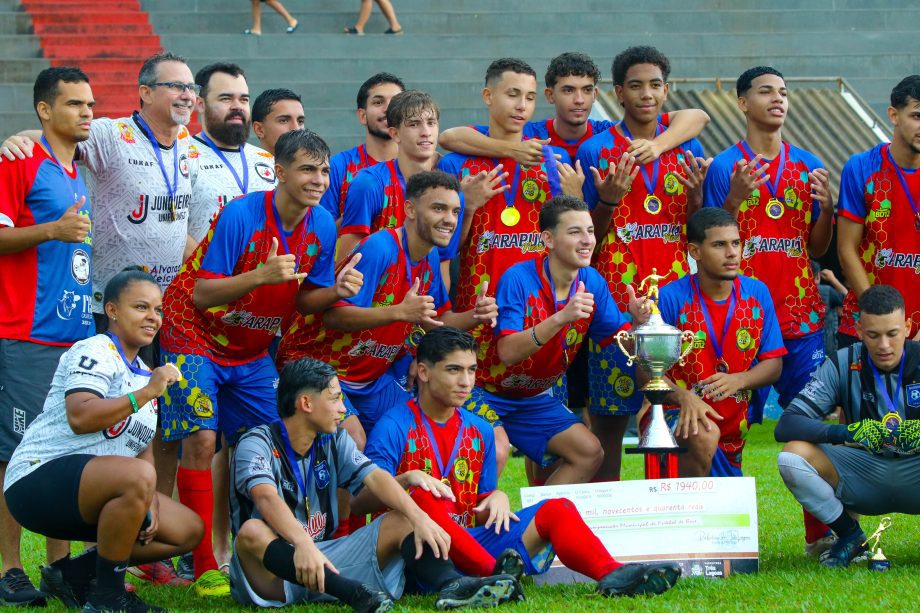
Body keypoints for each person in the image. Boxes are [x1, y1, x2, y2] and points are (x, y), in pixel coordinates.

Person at [159, 129, 362, 597]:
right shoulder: (242, 214)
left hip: (251, 351)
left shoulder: (323, 224)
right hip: (194, 334)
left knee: (276, 438)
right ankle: (205, 563)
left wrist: (338, 291)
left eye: (324, 170)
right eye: (308, 169)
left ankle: (255, 549)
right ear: (280, 171)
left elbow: (308, 301)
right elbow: (202, 293)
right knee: (203, 439)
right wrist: (261, 275)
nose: (318, 179)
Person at [359, 326, 682, 597]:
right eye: (453, 370)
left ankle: (613, 575)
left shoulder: (480, 429)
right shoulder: (394, 424)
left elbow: (479, 504)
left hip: (469, 546)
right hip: (421, 556)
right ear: (424, 372)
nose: (466, 382)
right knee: (425, 496)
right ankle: (497, 576)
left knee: (556, 509)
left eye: (471, 370)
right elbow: (360, 503)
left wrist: (496, 497)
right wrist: (408, 479)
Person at [230, 357, 522, 609]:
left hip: (325, 559)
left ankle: (454, 585)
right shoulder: (256, 443)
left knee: (402, 518)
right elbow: (266, 498)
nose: (343, 409)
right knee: (252, 531)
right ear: (305, 403)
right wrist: (302, 543)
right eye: (335, 398)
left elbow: (376, 478)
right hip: (271, 574)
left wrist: (419, 518)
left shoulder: (335, 440)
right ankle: (354, 595)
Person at [3, 268, 203, 612]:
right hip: (35, 482)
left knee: (187, 530)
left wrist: (150, 502)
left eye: (158, 310)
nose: (153, 317)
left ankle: (71, 574)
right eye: (141, 307)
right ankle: (108, 598)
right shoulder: (96, 349)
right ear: (111, 310)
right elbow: (81, 416)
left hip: (93, 493)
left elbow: (143, 451)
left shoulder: (142, 370)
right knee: (136, 478)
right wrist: (147, 393)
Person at [702, 65, 834, 550]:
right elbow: (712, 238)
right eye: (766, 92)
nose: (778, 99)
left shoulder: (810, 165)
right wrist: (734, 197)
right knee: (726, 425)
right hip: (741, 319)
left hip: (800, 316)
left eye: (783, 92)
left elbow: (817, 248)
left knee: (814, 425)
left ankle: (821, 536)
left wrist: (828, 209)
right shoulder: (723, 167)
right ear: (742, 103)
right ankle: (725, 540)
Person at [574, 45, 709, 482]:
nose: (647, 94)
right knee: (610, 424)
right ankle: (611, 530)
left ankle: (674, 518)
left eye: (655, 85)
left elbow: (695, 231)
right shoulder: (596, 149)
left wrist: (694, 199)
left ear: (666, 90)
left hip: (674, 306)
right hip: (615, 307)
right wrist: (608, 200)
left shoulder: (685, 145)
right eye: (636, 85)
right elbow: (586, 240)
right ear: (618, 92)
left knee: (680, 418)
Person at [278, 171, 497, 434]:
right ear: (410, 210)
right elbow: (334, 316)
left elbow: (437, 322)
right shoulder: (381, 248)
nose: (449, 219)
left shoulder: (431, 258)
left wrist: (476, 315)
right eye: (439, 209)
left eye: (455, 211)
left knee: (413, 432)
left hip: (371, 380)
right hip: (316, 366)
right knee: (355, 440)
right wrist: (399, 312)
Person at [466, 195, 650, 484]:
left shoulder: (592, 281)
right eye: (575, 232)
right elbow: (508, 351)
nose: (587, 240)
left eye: (590, 231)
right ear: (548, 239)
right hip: (486, 391)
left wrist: (639, 326)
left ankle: (535, 523)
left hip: (534, 399)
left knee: (590, 452)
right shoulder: (517, 277)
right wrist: (561, 317)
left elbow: (619, 340)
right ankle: (480, 528)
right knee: (498, 449)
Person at [0, 66, 94, 607]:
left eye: (90, 104)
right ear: (43, 110)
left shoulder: (73, 169)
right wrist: (54, 230)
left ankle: (59, 567)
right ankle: (12, 568)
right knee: (13, 454)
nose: (86, 112)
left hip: (73, 336)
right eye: (75, 104)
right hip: (26, 333)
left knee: (65, 452)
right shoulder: (19, 161)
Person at [775, 285, 920, 568]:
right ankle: (851, 536)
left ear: (908, 326)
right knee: (792, 456)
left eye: (892, 334)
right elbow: (787, 424)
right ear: (859, 329)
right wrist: (848, 433)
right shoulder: (843, 362)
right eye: (874, 335)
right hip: (864, 471)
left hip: (914, 469)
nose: (884, 346)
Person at [654, 207, 785, 477]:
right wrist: (684, 398)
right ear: (695, 252)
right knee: (703, 436)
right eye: (719, 245)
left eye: (736, 243)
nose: (732, 253)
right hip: (679, 418)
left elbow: (774, 364)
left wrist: (740, 380)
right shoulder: (669, 298)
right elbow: (646, 370)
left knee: (727, 515)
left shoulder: (757, 293)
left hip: (734, 423)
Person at [439, 51, 709, 162]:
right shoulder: (530, 135)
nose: (579, 100)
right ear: (549, 95)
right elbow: (450, 137)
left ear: (596, 95)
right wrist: (513, 149)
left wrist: (658, 145)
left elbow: (696, 115)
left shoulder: (607, 132)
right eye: (568, 90)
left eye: (587, 91)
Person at [836, 75, 920, 349]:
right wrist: (879, 318)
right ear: (893, 115)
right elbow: (846, 249)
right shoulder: (861, 167)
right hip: (866, 325)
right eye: (917, 115)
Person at [187, 62, 276, 248]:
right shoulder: (183, 157)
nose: (237, 106)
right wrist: (214, 268)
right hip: (205, 275)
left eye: (244, 100)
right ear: (200, 104)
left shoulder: (266, 159)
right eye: (226, 99)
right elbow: (173, 229)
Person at [319, 73, 404, 222]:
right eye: (378, 102)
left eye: (396, 102)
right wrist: (359, 210)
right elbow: (324, 233)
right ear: (362, 116)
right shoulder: (337, 167)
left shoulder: (420, 164)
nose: (388, 109)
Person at [251, 88, 305, 156]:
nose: (296, 129)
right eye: (284, 121)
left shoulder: (319, 165)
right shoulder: (243, 166)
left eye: (300, 121)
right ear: (259, 129)